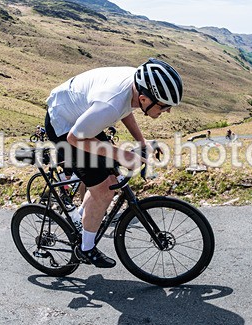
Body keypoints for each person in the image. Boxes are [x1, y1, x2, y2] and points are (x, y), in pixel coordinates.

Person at [45, 58, 183, 268]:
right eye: (164, 106)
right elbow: (75, 139)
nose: (168, 111)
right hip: (64, 127)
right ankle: (86, 248)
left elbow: (125, 109)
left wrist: (141, 142)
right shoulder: (110, 104)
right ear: (145, 99)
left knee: (110, 177)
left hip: (82, 116)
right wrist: (122, 155)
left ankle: (80, 218)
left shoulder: (135, 85)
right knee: (104, 190)